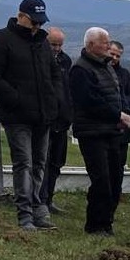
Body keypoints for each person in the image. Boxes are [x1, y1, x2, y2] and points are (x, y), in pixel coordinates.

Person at [0, 0, 62, 230]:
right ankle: (24, 213)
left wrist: (55, 100)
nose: (37, 26)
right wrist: (15, 99)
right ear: (21, 16)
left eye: (40, 22)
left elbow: (54, 74)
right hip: (17, 116)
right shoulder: (1, 40)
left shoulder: (43, 44)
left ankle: (38, 208)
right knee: (23, 163)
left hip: (43, 115)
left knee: (39, 163)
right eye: (34, 21)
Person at [68, 26, 130, 235]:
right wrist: (117, 115)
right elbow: (89, 101)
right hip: (92, 133)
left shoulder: (107, 67)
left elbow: (118, 92)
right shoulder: (80, 69)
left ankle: (107, 223)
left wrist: (123, 112)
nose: (107, 45)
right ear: (91, 45)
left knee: (114, 180)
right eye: (104, 42)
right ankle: (94, 225)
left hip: (112, 132)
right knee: (101, 180)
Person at [36, 26, 73, 214]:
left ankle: (49, 198)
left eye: (60, 45)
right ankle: (40, 200)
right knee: (43, 161)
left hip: (62, 120)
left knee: (57, 163)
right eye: (53, 44)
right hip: (46, 119)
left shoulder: (66, 61)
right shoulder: (39, 59)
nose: (57, 48)